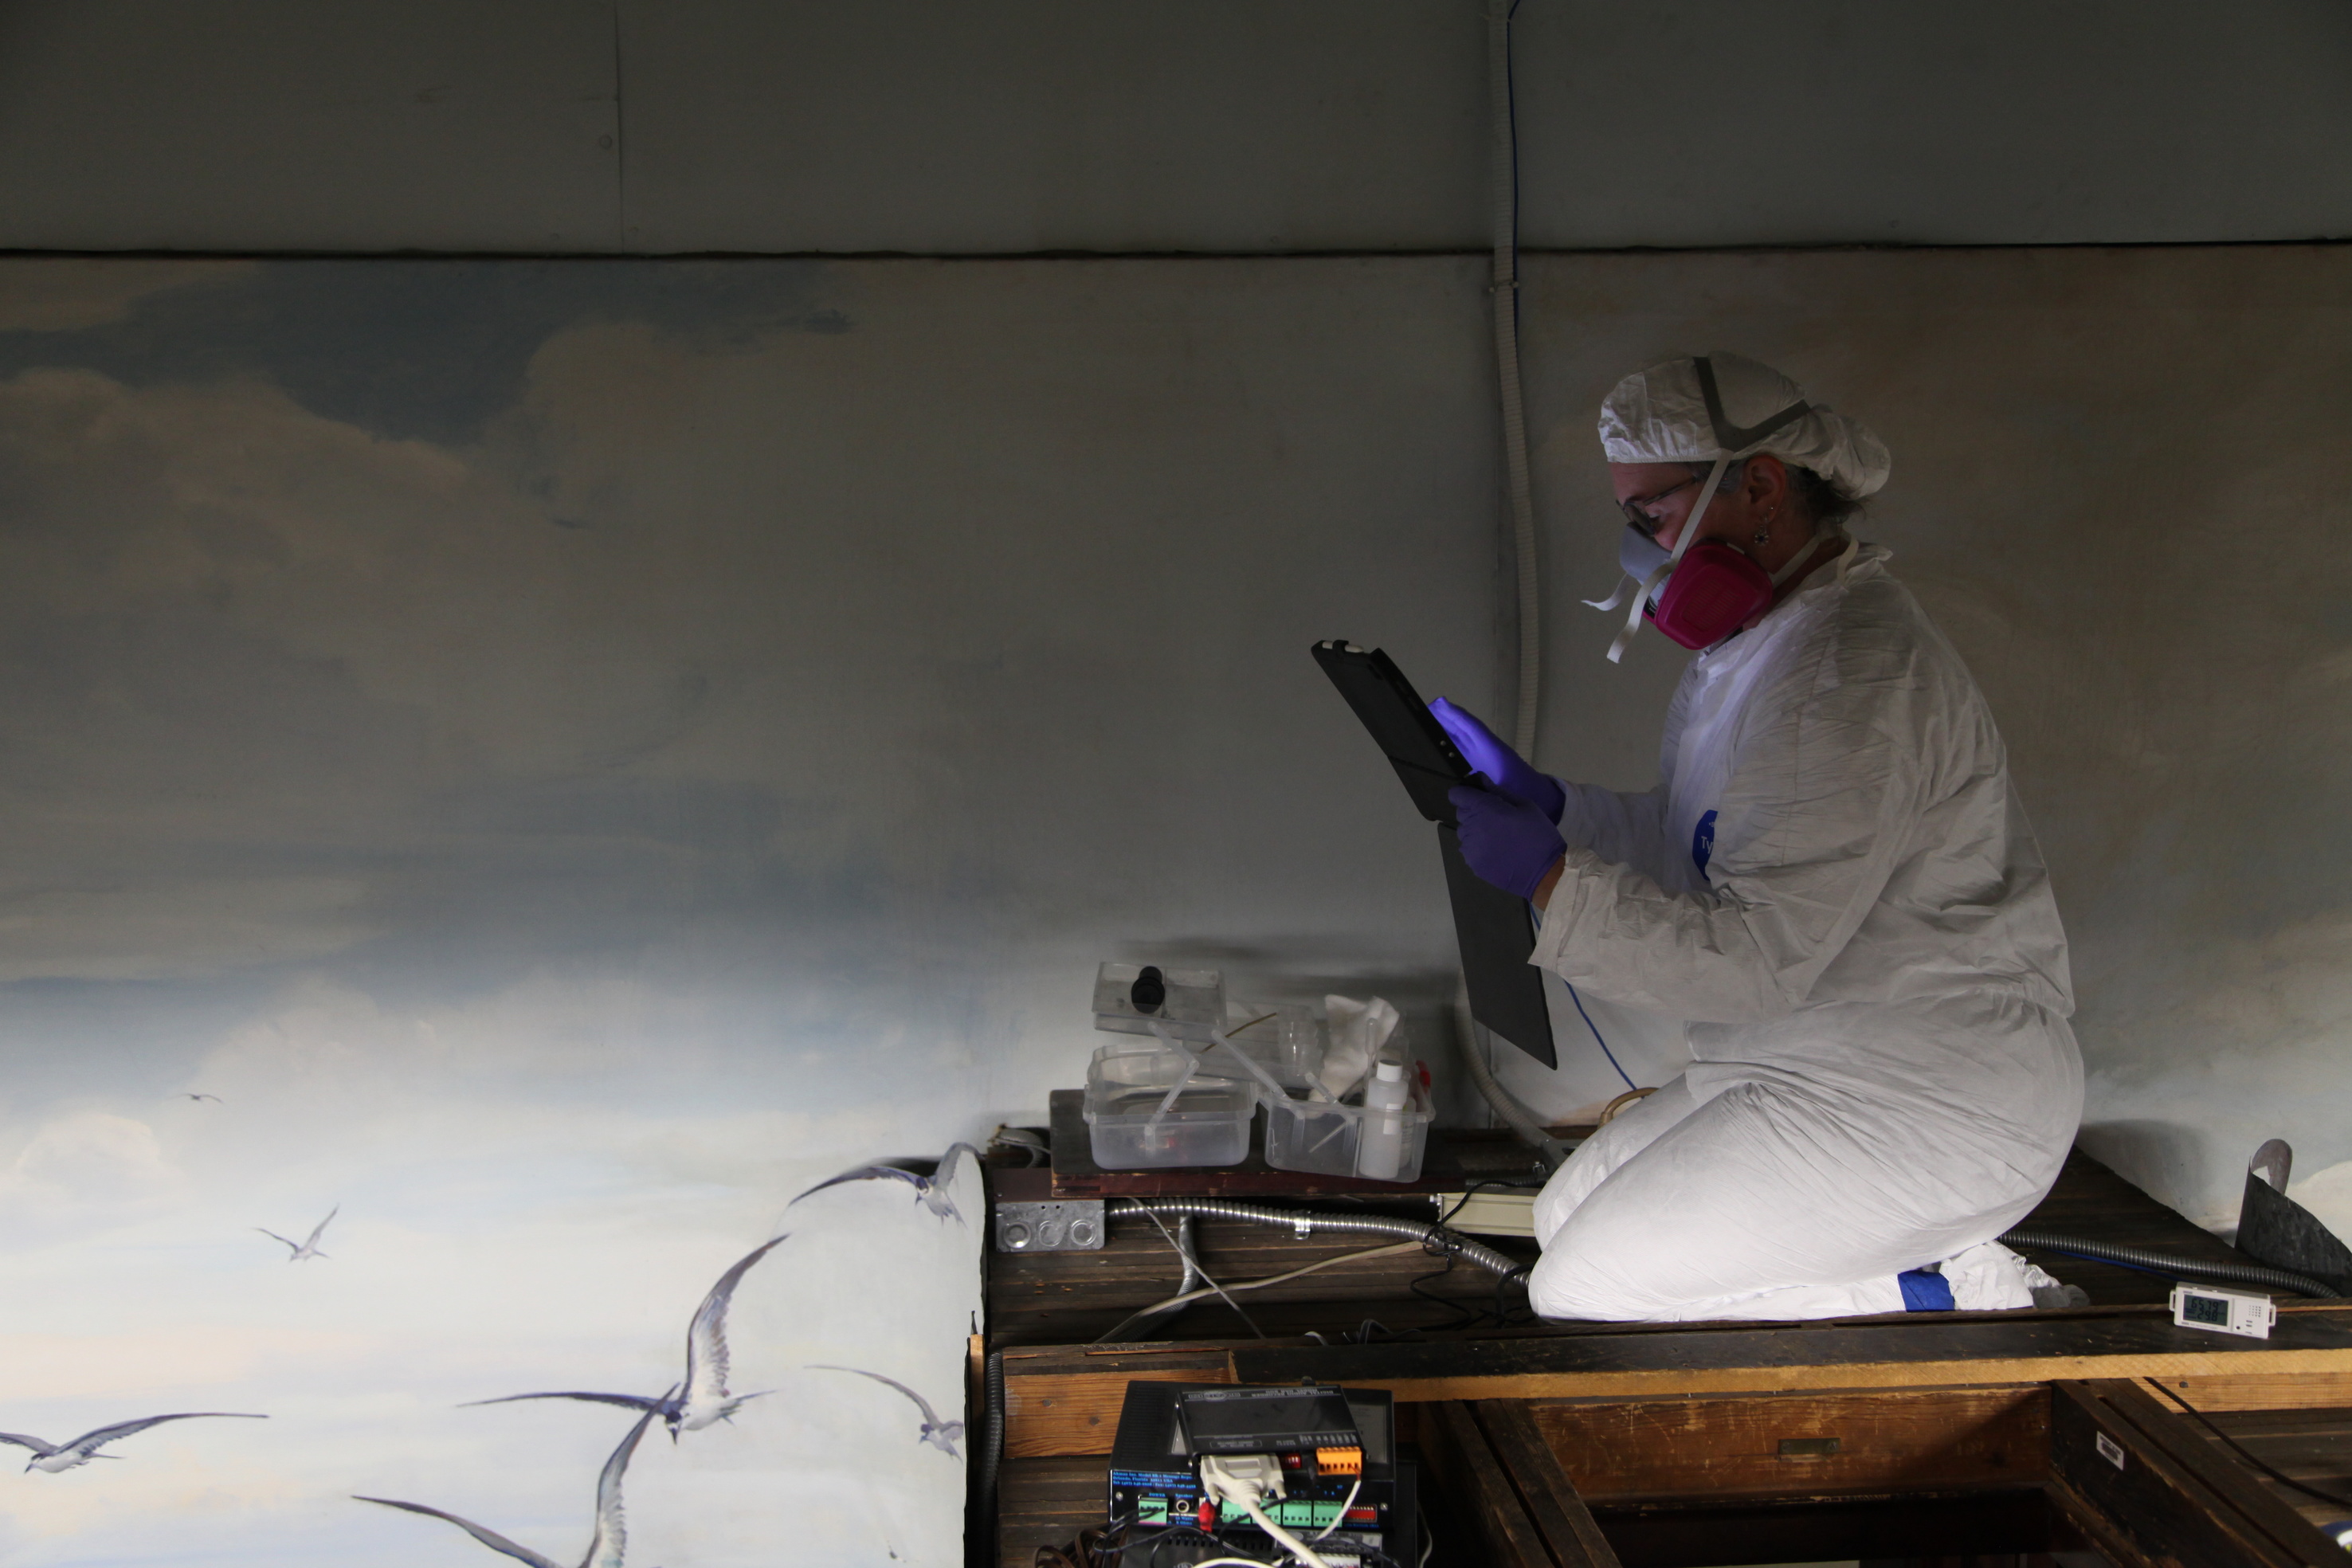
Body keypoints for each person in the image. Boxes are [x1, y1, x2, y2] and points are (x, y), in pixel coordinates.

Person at [1435, 352, 2082, 1322]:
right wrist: (1555, 809)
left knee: (1582, 1289)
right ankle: (1903, 1272)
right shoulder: (1765, 646)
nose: (1641, 556)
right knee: (1562, 1214)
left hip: (1925, 1101)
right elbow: (1695, 840)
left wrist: (1552, 884)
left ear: (1763, 486)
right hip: (1800, 1062)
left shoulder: (1846, 674)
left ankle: (1958, 1287)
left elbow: (1752, 959)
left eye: (1651, 518)